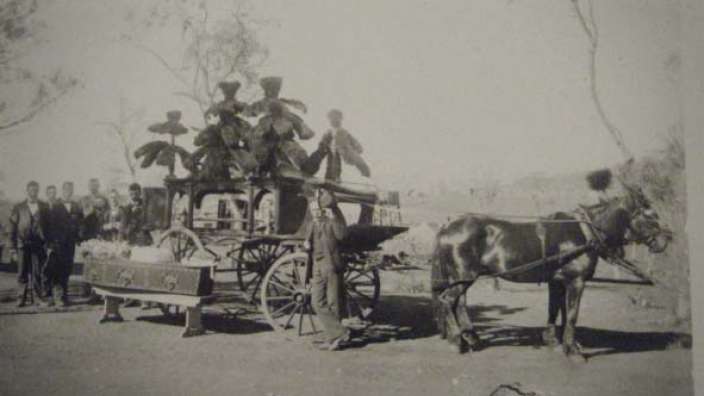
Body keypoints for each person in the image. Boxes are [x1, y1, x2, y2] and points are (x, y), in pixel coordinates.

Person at [304, 189, 351, 350]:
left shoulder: (332, 222)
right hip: (317, 266)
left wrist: (334, 216)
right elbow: (308, 242)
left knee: (333, 303)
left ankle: (334, 339)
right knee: (316, 302)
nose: (315, 213)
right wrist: (305, 245)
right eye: (313, 211)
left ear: (323, 210)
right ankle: (339, 332)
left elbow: (342, 236)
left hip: (331, 266)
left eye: (318, 210)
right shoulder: (311, 225)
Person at [9, 181, 50, 307]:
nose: (33, 192)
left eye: (36, 190)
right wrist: (12, 248)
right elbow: (12, 228)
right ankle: (21, 299)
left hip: (38, 245)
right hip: (22, 244)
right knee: (22, 272)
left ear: (38, 191)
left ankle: (38, 298)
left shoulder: (44, 206)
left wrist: (48, 244)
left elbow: (49, 227)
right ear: (27, 191)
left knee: (38, 272)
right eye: (31, 190)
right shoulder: (18, 207)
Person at [47, 182, 84, 306]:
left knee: (67, 269)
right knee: (57, 269)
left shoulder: (76, 206)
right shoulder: (55, 206)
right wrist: (52, 242)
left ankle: (65, 296)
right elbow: (50, 226)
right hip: (58, 244)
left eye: (70, 190)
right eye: (66, 190)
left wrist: (79, 237)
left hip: (70, 243)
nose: (68, 192)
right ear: (62, 191)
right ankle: (58, 297)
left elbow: (80, 223)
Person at [323, 109, 370, 182]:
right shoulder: (328, 132)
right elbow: (323, 144)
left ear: (340, 119)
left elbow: (352, 140)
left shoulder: (343, 131)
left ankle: (366, 176)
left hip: (347, 151)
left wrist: (358, 147)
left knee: (359, 162)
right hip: (335, 151)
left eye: (337, 118)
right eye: (332, 118)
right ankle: (332, 179)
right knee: (333, 162)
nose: (334, 120)